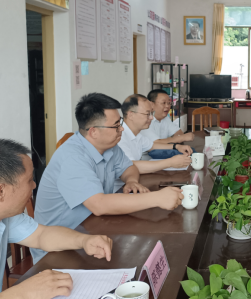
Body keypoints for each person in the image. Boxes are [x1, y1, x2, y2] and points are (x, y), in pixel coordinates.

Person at [0, 139, 113, 299]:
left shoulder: (2, 217)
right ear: (1, 192)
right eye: (29, 180)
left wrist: (83, 240)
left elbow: (41, 235)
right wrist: (22, 293)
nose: (34, 186)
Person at [32, 93, 183, 263]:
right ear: (94, 132)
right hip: (60, 248)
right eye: (116, 125)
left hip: (93, 230)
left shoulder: (109, 146)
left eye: (120, 123)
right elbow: (99, 204)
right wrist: (156, 198)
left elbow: (129, 167)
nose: (122, 129)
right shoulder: (72, 157)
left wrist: (131, 181)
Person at [118, 94, 192, 173]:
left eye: (151, 113)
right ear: (131, 115)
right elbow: (130, 166)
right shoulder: (119, 136)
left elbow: (152, 146)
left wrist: (176, 146)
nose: (151, 118)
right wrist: (170, 162)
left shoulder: (137, 134)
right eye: (147, 114)